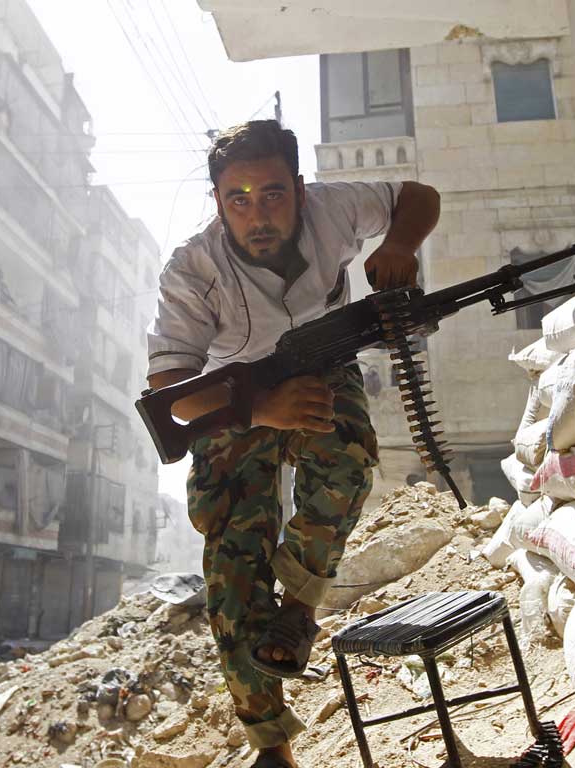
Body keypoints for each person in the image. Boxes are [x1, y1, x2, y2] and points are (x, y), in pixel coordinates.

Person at [146, 120, 440, 768]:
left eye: (273, 194)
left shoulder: (334, 208)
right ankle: (272, 750)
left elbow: (418, 197)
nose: (258, 214)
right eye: (238, 199)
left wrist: (401, 244)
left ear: (300, 191)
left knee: (348, 455)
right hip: (233, 400)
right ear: (218, 201)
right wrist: (259, 408)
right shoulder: (192, 269)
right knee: (231, 576)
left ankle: (301, 605)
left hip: (318, 364)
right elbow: (171, 390)